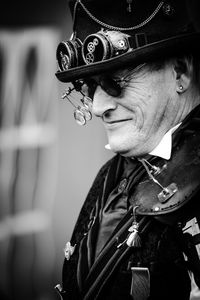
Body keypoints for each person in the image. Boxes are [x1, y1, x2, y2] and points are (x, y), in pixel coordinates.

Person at [55, 0, 200, 299]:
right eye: (90, 86)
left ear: (180, 72)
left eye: (116, 82)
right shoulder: (112, 172)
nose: (97, 107)